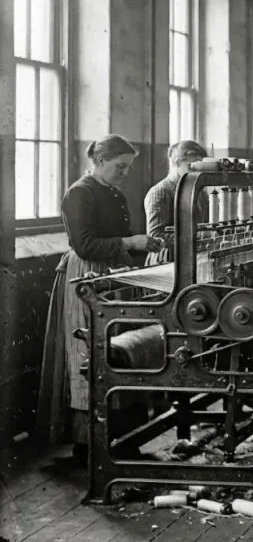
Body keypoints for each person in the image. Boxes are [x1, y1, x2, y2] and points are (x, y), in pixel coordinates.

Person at [42, 135, 164, 465]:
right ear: (99, 161)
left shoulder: (113, 191)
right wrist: (130, 241)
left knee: (120, 350)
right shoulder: (79, 193)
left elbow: (115, 238)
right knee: (89, 354)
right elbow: (84, 245)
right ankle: (88, 444)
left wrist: (141, 246)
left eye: (127, 167)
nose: (124, 173)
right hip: (87, 277)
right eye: (119, 166)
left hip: (112, 275)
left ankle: (121, 437)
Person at [144, 140, 207, 265]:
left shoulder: (200, 192)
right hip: (166, 259)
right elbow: (155, 235)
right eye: (192, 166)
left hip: (191, 257)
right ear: (177, 162)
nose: (197, 171)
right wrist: (199, 237)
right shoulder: (160, 191)